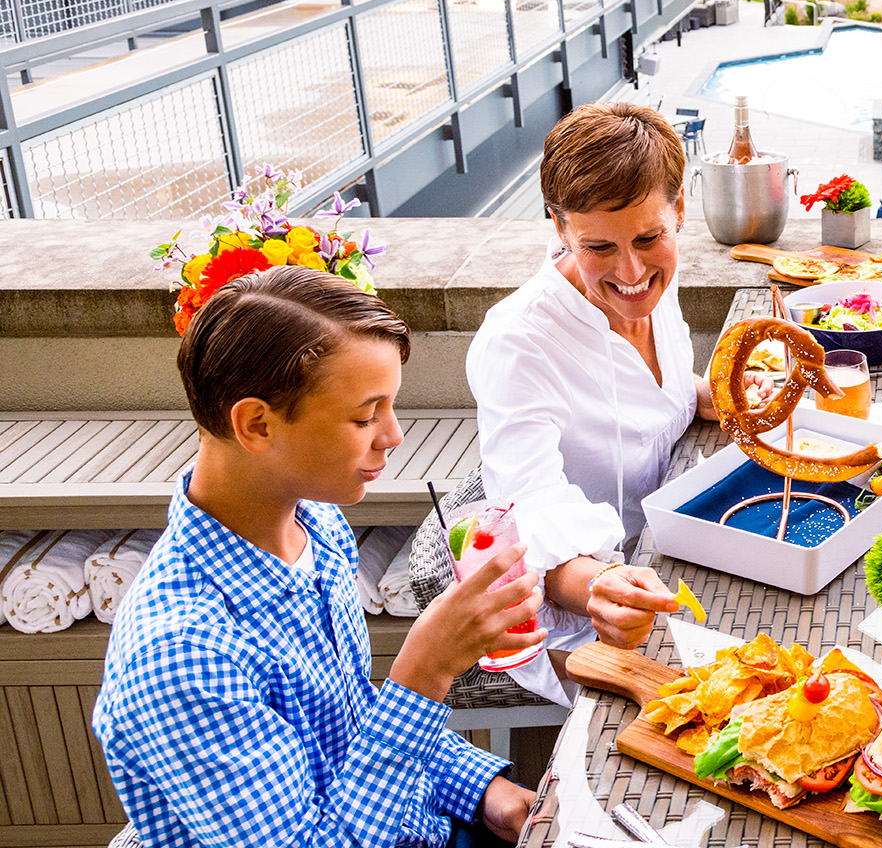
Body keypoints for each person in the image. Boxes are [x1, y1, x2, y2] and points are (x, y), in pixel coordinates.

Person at [95, 267, 541, 848]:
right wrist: (424, 672)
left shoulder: (316, 526)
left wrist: (482, 791)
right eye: (365, 415)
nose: (394, 435)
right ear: (256, 424)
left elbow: (349, 730)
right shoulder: (183, 657)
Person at [466, 103, 704, 705]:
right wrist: (603, 585)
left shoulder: (652, 288)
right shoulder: (517, 342)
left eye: (650, 237)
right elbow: (531, 515)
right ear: (559, 226)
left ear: (679, 209)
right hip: (583, 616)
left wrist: (734, 395)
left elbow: (665, 401)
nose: (630, 272)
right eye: (598, 247)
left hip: (676, 542)